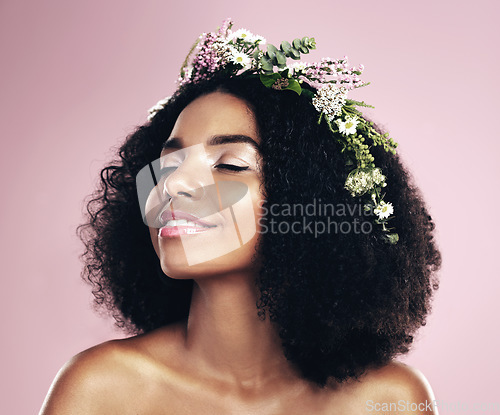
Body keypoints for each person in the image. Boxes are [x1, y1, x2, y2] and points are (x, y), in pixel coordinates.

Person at [40, 19, 441, 415]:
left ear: (303, 200)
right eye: (167, 165)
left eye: (230, 165)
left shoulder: (391, 401)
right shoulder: (101, 390)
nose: (173, 185)